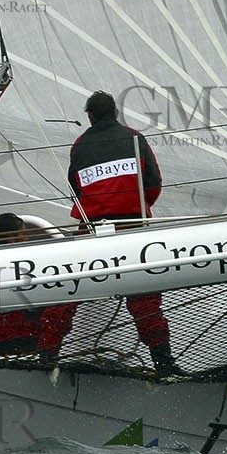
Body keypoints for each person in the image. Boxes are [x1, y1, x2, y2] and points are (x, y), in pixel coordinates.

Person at [67, 91, 175, 376]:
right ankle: (164, 364)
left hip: (91, 228)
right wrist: (140, 207)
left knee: (68, 287)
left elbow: (75, 189)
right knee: (143, 296)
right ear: (115, 112)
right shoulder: (134, 137)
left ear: (90, 116)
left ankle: (46, 354)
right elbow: (153, 181)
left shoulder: (79, 145)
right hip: (131, 225)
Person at [0, 213, 76, 364]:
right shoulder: (24, 262)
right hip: (21, 323)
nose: (26, 238)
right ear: (11, 237)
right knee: (62, 306)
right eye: (22, 234)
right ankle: (48, 355)